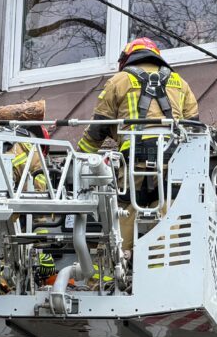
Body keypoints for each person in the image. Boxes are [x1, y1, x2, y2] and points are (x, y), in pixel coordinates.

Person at [76, 37, 199, 252]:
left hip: (135, 166)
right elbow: (194, 128)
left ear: (126, 59)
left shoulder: (119, 80)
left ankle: (110, 276)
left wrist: (80, 158)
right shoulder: (180, 83)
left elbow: (99, 127)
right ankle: (164, 270)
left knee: (122, 216)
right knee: (169, 218)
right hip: (172, 164)